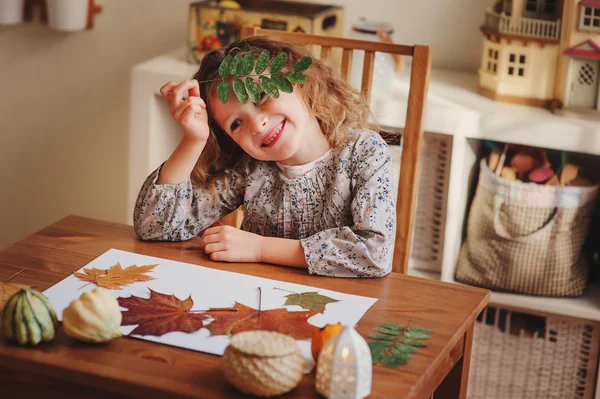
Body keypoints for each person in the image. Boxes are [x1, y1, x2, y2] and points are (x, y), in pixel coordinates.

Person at [133, 35, 396, 278]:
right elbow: (155, 228)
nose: (257, 125)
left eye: (260, 96)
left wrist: (259, 248)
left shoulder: (363, 151)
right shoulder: (249, 169)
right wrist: (193, 140)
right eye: (236, 124)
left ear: (300, 81)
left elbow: (374, 253)